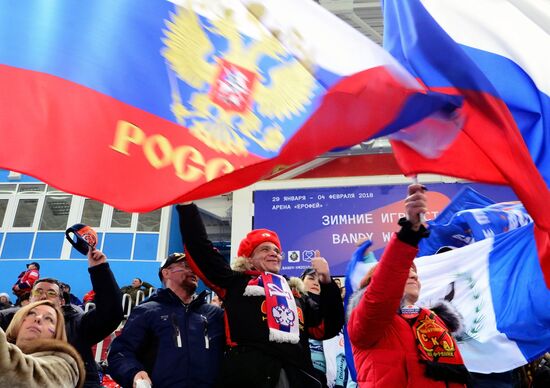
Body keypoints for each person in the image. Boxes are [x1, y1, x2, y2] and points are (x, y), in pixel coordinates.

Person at [177, 203, 345, 387]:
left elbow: (326, 327)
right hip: (249, 377)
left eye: (276, 251)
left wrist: (327, 282)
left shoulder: (295, 293)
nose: (274, 254)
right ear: (248, 258)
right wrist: (188, 208)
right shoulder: (234, 282)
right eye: (265, 249)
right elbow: (200, 249)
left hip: (298, 378)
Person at [347, 184, 470, 387]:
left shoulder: (433, 320)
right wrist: (409, 233)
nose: (413, 274)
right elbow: (382, 293)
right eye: (406, 271)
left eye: (415, 271)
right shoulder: (367, 322)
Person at [0, 248, 124, 388]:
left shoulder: (78, 324)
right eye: (38, 291)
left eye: (51, 293)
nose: (43, 295)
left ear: (62, 301)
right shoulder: (8, 318)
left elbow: (110, 312)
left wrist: (100, 270)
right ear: (29, 298)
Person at [108, 252, 225, 388]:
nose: (193, 270)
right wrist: (134, 373)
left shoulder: (215, 314)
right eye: (186, 265)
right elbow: (121, 352)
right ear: (166, 273)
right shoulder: (147, 311)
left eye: (195, 267)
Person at [1, 300, 85, 387]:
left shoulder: (65, 366)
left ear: (56, 333)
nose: (38, 318)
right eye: (31, 313)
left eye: (49, 319)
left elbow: (19, 375)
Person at [302, 268, 353, 388]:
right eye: (310, 278)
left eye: (319, 280)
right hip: (300, 374)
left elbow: (341, 353)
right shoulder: (292, 306)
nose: (315, 282)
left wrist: (339, 383)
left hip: (327, 379)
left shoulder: (334, 315)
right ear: (301, 281)